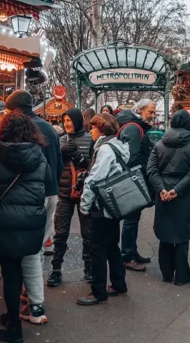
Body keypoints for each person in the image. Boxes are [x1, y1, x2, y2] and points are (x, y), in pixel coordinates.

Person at [0, 111, 50, 343]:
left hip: (3, 222)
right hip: (32, 220)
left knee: (11, 274)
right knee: (24, 268)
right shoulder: (38, 155)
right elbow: (45, 185)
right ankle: (14, 314)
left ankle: (14, 327)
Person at [4, 90, 62, 319]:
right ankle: (30, 295)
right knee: (37, 247)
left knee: (29, 251)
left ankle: (34, 304)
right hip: (51, 193)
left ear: (14, 110)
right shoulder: (48, 128)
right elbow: (57, 163)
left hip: (31, 196)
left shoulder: (19, 130)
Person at [147, 110, 190, 285]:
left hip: (163, 194)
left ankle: (166, 273)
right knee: (182, 234)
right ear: (188, 124)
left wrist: (162, 189)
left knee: (165, 233)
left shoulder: (159, 144)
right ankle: (182, 275)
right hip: (184, 195)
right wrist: (176, 190)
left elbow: (151, 170)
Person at [78, 113, 129, 306]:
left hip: (102, 206)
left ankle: (98, 292)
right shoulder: (118, 146)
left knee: (98, 249)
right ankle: (118, 283)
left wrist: (84, 204)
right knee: (111, 246)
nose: (90, 131)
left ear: (101, 129)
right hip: (114, 205)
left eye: (93, 127)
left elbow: (95, 178)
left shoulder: (105, 149)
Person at [47, 108, 94, 288]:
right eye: (64, 120)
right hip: (64, 193)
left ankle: (88, 267)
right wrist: (61, 154)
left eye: (69, 120)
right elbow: (54, 166)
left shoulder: (90, 139)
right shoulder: (60, 141)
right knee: (60, 233)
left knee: (88, 233)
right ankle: (56, 269)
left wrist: (78, 157)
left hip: (84, 193)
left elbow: (93, 166)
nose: (66, 123)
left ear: (77, 121)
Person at [116, 99, 156, 271]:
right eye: (150, 112)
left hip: (133, 178)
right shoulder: (133, 128)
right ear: (139, 111)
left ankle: (131, 252)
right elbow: (133, 158)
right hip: (133, 180)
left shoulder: (132, 126)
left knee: (133, 219)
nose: (152, 116)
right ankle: (127, 256)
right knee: (131, 220)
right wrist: (142, 176)